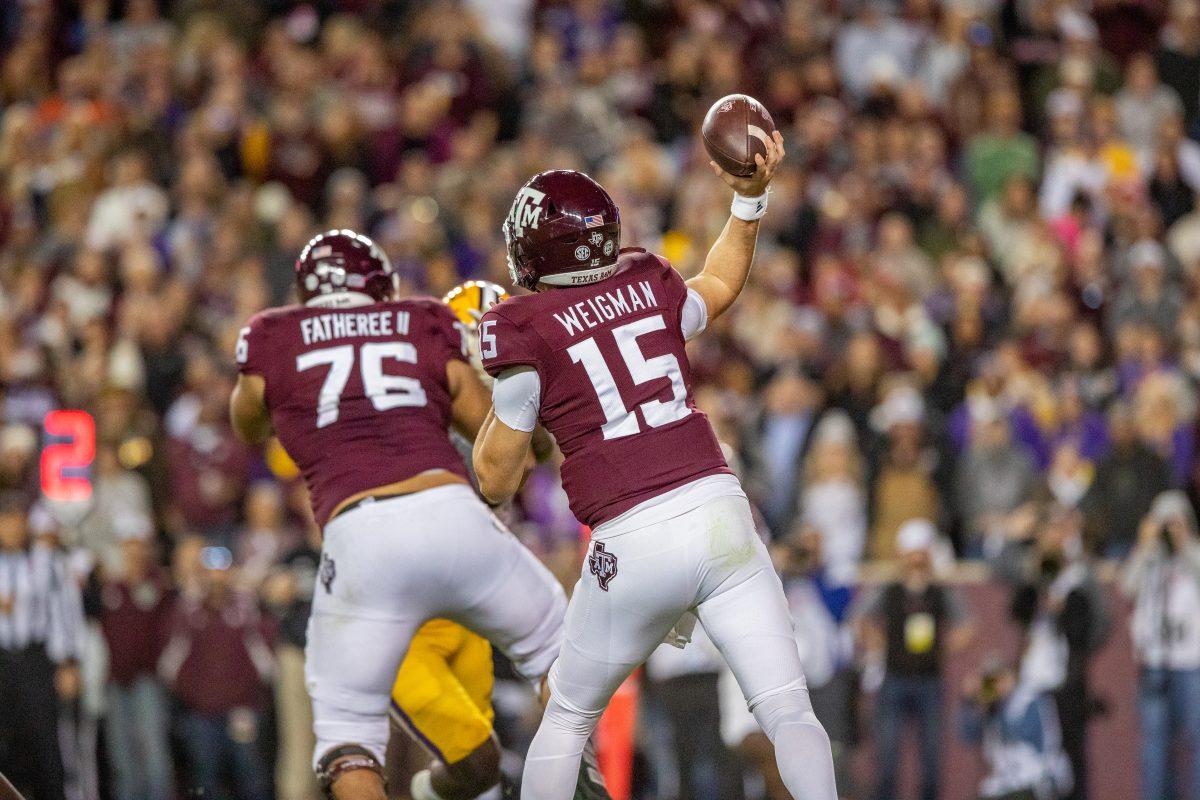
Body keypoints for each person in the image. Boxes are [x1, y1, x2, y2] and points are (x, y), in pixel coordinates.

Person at [472, 137, 837, 799]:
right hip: (719, 509)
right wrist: (749, 197)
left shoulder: (523, 325)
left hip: (633, 533)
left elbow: (495, 481)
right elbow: (720, 284)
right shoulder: (645, 280)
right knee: (787, 708)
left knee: (567, 714)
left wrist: (497, 393)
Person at [228, 231, 603, 800]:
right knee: (564, 658)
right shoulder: (422, 320)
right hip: (453, 518)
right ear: (381, 290)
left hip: (360, 536)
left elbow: (248, 424)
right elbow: (509, 451)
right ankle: (578, 787)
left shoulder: (272, 334)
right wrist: (509, 383)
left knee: (348, 738)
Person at [856, 518, 973, 800]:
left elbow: (967, 625)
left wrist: (943, 648)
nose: (917, 560)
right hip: (894, 679)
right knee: (887, 761)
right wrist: (879, 642)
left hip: (929, 680)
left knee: (931, 762)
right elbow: (860, 618)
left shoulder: (940, 591)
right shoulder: (890, 589)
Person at [158, 545, 275, 800]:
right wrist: (194, 696)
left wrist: (248, 695)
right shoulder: (187, 612)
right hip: (200, 713)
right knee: (205, 781)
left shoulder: (247, 609)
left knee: (252, 778)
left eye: (221, 571)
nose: (216, 578)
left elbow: (266, 662)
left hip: (242, 710)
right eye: (210, 572)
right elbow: (169, 665)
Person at [0, 492, 84, 800]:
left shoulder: (46, 560)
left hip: (35, 659)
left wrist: (68, 662)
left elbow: (66, 610)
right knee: (6, 745)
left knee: (46, 741)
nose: (11, 528)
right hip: (2, 662)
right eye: (4, 520)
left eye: (16, 520)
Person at [1121, 491, 1200, 800]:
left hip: (1191, 662)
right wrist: (1144, 547)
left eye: (1175, 521)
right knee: (1153, 745)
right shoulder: (1148, 555)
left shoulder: (1194, 553)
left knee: (1196, 742)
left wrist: (1184, 544)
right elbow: (1127, 587)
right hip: (1154, 661)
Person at [958, 659, 1073, 800]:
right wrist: (970, 702)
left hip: (1037, 779)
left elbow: (1023, 737)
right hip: (1006, 782)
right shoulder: (990, 706)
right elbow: (967, 736)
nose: (995, 687)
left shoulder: (1030, 699)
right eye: (990, 682)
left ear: (1009, 677)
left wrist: (1000, 707)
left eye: (997, 679)